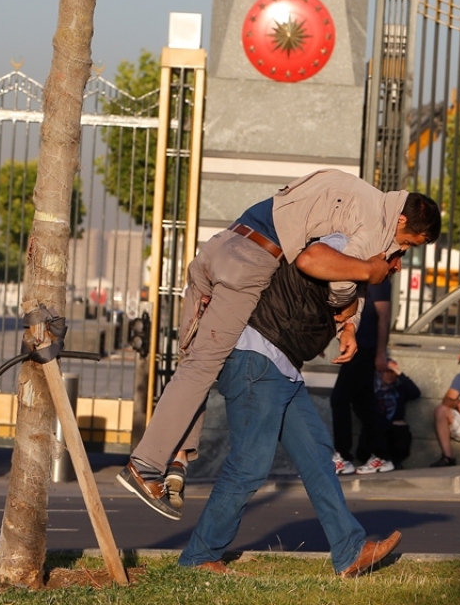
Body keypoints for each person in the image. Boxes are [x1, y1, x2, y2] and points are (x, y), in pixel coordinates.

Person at [118, 169, 441, 520]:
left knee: (192, 362)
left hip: (220, 245)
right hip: (251, 261)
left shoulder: (355, 188)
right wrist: (361, 288)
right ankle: (145, 465)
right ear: (402, 219)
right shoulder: (376, 224)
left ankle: (177, 457)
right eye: (408, 242)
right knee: (202, 367)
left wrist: (351, 315)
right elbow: (329, 274)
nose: (401, 249)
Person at [178, 239, 401, 577]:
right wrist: (368, 272)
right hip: (258, 358)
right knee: (249, 465)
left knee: (316, 456)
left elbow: (337, 301)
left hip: (283, 367)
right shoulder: (344, 240)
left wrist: (349, 326)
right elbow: (313, 259)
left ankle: (350, 551)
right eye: (400, 255)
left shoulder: (355, 256)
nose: (396, 267)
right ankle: (199, 556)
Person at [330, 278, 391, 475]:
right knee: (364, 405)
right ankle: (380, 454)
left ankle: (344, 456)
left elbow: (384, 316)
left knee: (339, 400)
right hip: (358, 347)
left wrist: (380, 353)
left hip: (366, 349)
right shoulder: (357, 277)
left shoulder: (378, 281)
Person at [366, 358, 420, 470]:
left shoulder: (399, 389)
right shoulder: (372, 389)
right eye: (387, 372)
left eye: (392, 373)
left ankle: (393, 461)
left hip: (394, 431)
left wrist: (398, 372)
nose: (390, 375)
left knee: (400, 429)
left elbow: (415, 393)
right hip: (376, 429)